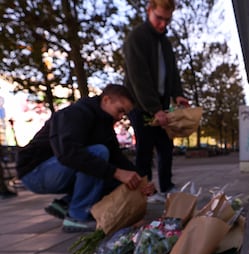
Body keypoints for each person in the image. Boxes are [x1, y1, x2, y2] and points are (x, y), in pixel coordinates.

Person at [16, 84, 154, 232]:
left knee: (112, 172)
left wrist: (140, 180)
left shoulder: (105, 125)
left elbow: (118, 159)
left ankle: (67, 203)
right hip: (34, 172)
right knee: (100, 155)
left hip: (56, 169)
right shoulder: (75, 114)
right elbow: (68, 154)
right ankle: (77, 216)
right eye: (120, 111)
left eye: (124, 114)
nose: (121, 117)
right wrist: (117, 173)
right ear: (106, 100)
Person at [123, 0, 189, 203]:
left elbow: (172, 72)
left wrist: (177, 93)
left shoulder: (165, 43)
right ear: (148, 10)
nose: (163, 24)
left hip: (160, 103)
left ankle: (167, 186)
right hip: (140, 104)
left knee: (165, 146)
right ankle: (146, 191)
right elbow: (138, 78)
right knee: (144, 147)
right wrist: (154, 109)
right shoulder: (137, 37)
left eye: (167, 20)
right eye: (159, 18)